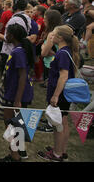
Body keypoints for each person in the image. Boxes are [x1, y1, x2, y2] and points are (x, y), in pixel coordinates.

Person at [37, 25, 80, 162]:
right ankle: (61, 150)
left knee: (58, 124)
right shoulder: (65, 51)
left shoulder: (62, 53)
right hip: (63, 94)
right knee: (62, 122)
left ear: (60, 37)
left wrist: (55, 95)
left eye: (53, 34)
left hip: (60, 94)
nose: (51, 36)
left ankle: (56, 155)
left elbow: (63, 76)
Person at [0, 24, 35, 162]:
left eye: (7, 33)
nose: (5, 35)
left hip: (16, 95)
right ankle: (18, 151)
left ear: (12, 36)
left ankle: (15, 156)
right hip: (13, 93)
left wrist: (17, 100)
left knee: (12, 125)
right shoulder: (18, 50)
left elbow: (23, 75)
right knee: (17, 124)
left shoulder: (18, 52)